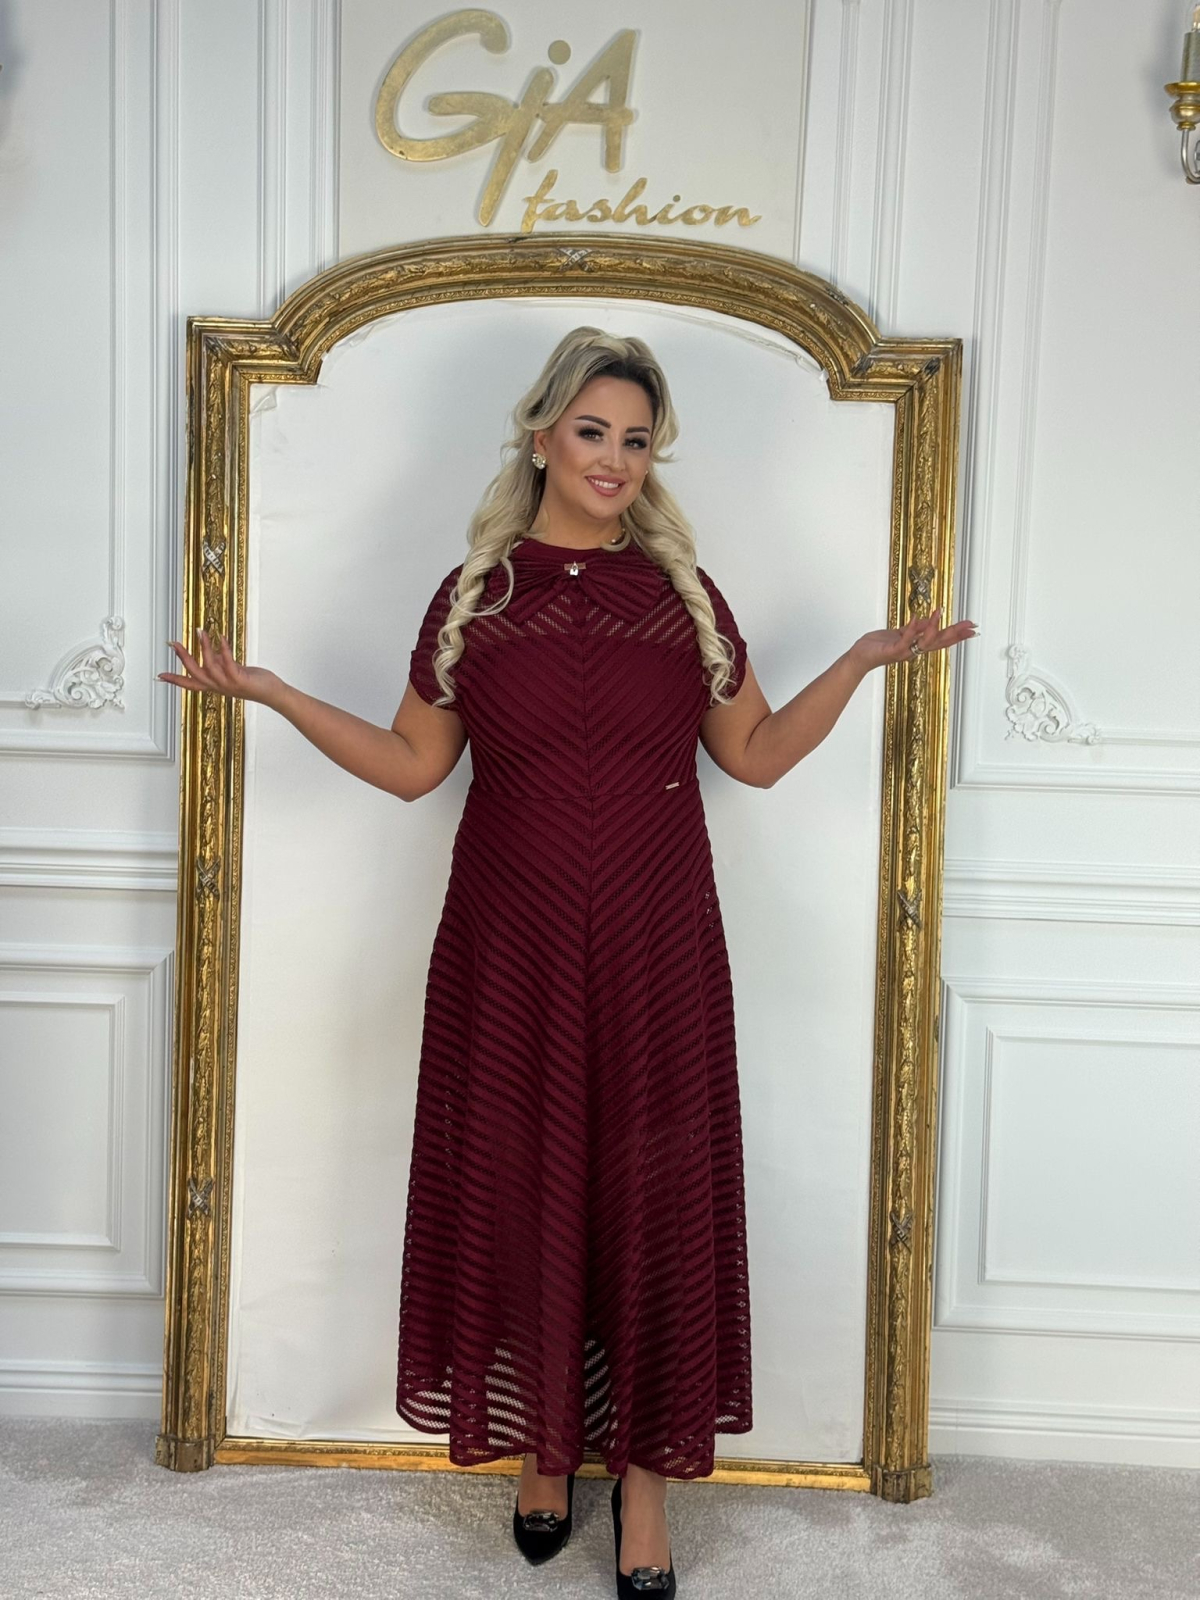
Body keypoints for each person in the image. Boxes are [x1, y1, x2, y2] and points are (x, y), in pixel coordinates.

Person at [159, 325, 976, 1598]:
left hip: (659, 942)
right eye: (593, 431)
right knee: (521, 1179)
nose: (615, 459)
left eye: (637, 440)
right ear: (541, 437)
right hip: (511, 944)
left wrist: (862, 662)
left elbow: (755, 756)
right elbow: (413, 766)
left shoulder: (683, 599)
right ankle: (544, 1448)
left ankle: (643, 1487)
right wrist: (271, 691)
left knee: (652, 1193)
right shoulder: (474, 597)